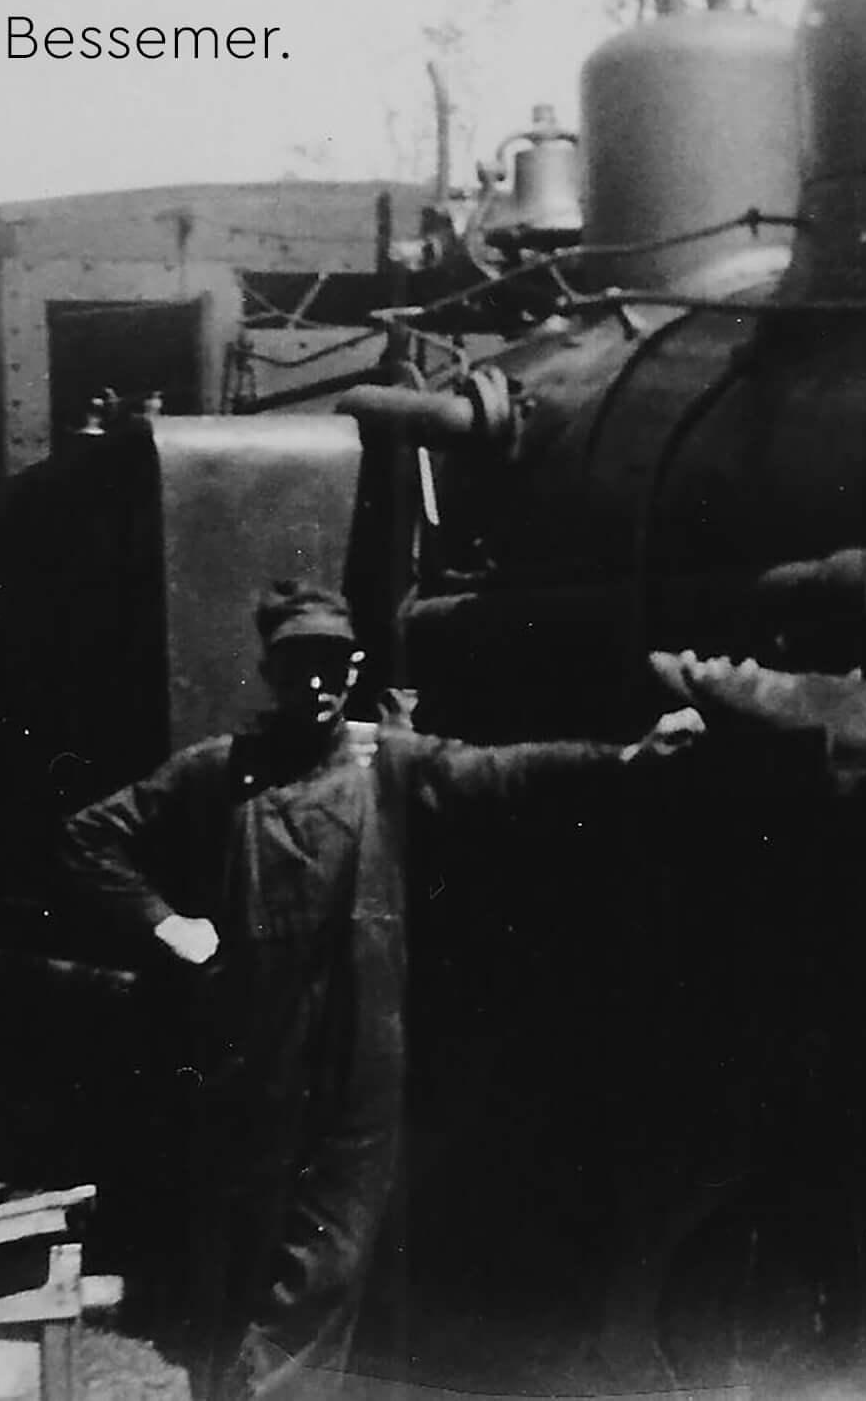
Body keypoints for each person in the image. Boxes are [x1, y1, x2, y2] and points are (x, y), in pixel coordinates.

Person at [58, 580, 696, 1401]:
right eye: (296, 666)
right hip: (254, 1057)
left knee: (325, 1259)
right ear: (269, 671)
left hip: (361, 1061)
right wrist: (168, 924)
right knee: (246, 1258)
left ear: (355, 667)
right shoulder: (221, 771)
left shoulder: (388, 764)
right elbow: (90, 840)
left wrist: (625, 759)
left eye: (330, 665)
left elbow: (499, 773)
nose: (315, 685)